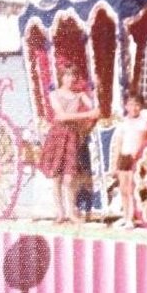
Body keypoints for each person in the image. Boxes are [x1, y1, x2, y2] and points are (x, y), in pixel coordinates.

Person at [40, 64, 100, 223]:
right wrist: (87, 114)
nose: (70, 79)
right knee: (56, 177)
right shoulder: (54, 94)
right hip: (58, 135)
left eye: (73, 75)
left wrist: (93, 95)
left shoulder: (79, 95)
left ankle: (72, 212)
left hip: (72, 136)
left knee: (69, 178)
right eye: (67, 75)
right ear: (61, 77)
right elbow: (62, 116)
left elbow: (96, 111)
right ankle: (60, 212)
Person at [110, 93, 147, 228]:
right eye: (131, 105)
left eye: (137, 105)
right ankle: (125, 215)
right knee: (123, 188)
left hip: (135, 157)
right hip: (124, 156)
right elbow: (119, 143)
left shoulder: (142, 123)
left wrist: (137, 155)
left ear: (141, 107)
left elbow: (141, 140)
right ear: (126, 106)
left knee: (131, 189)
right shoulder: (123, 122)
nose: (133, 108)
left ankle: (130, 218)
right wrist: (114, 163)